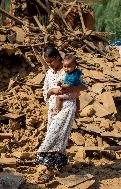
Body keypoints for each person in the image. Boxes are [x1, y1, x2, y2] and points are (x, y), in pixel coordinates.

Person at [35, 46, 87, 183]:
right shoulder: (49, 74)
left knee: (53, 136)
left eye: (51, 62)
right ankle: (62, 165)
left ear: (58, 58)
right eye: (47, 63)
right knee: (59, 136)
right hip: (53, 109)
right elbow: (45, 91)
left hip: (67, 107)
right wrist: (51, 91)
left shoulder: (69, 70)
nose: (50, 65)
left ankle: (49, 170)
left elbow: (83, 86)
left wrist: (70, 88)